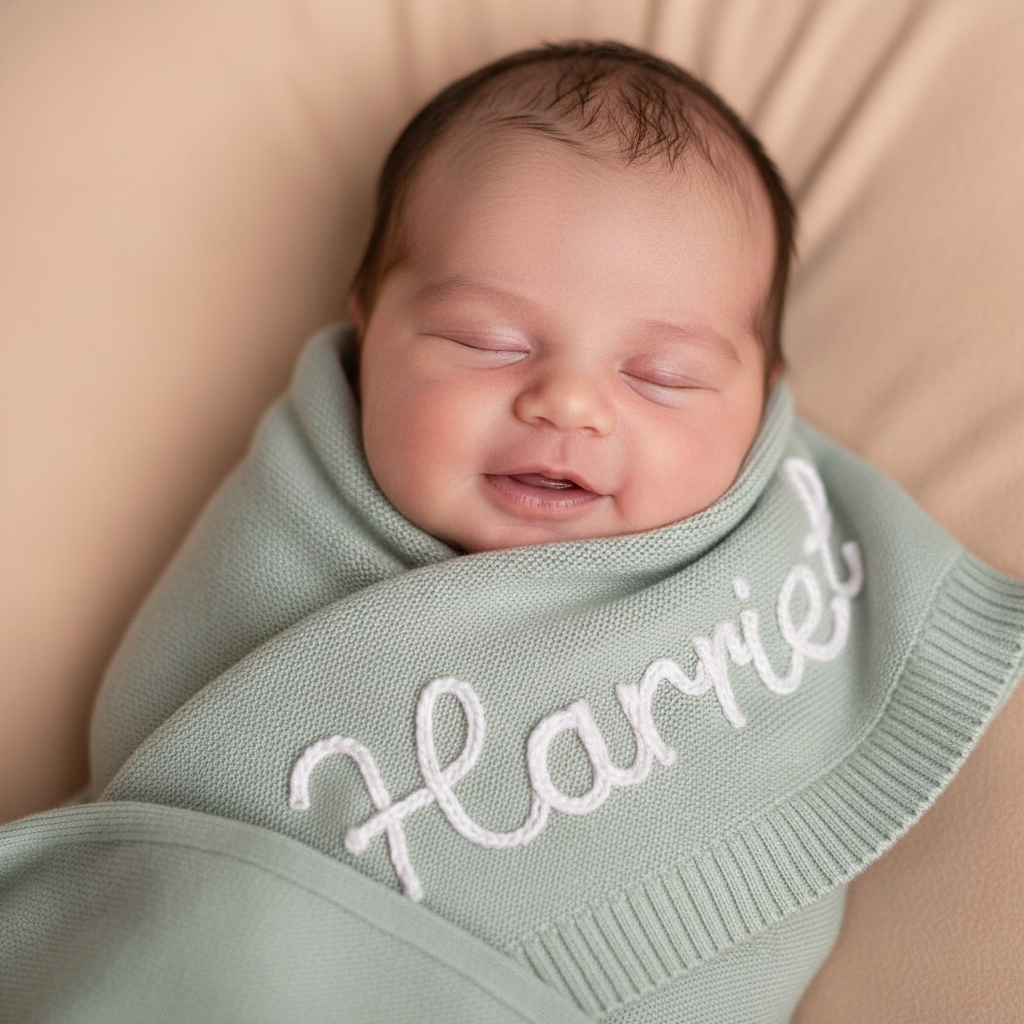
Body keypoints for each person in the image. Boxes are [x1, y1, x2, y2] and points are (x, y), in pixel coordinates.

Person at [2, 42, 1022, 1024]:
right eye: (484, 342)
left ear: (763, 398)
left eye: (659, 374)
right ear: (370, 327)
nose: (568, 402)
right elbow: (164, 836)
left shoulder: (786, 577)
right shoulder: (291, 521)